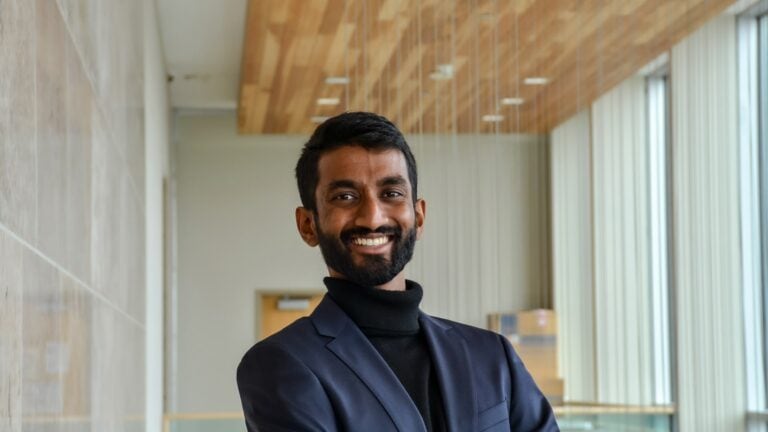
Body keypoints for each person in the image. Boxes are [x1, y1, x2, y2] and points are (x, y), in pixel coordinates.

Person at [236, 112, 559, 432]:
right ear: (308, 225)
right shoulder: (281, 363)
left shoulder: (491, 354)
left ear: (418, 217)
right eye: (345, 197)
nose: (372, 217)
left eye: (391, 194)